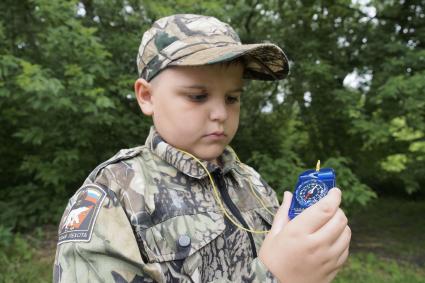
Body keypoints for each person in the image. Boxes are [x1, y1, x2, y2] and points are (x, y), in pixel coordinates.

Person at [53, 14, 351, 283]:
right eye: (197, 96)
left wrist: (310, 252)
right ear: (147, 96)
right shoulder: (115, 196)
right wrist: (276, 277)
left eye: (232, 98)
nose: (220, 113)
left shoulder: (251, 182)